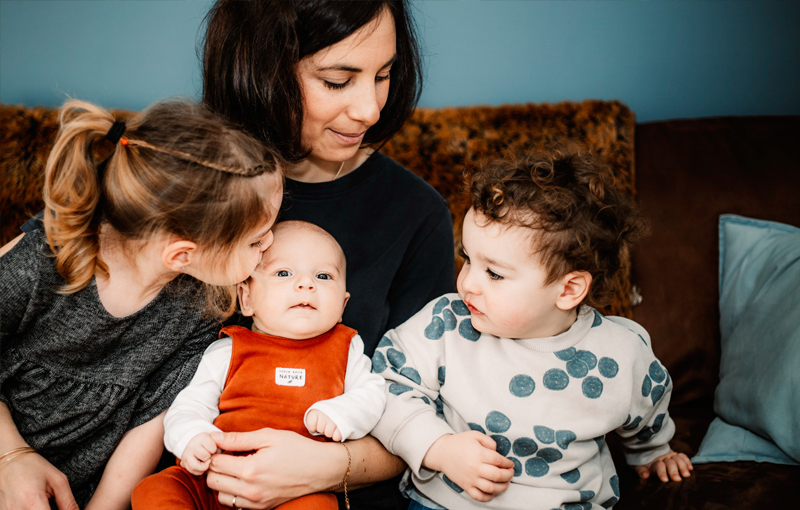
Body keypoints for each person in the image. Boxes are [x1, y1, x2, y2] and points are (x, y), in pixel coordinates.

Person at [198, 1, 457, 509]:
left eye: (384, 75)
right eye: (338, 80)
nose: (370, 109)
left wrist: (324, 467)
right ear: (260, 68)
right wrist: (12, 454)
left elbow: (436, 415)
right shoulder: (180, 178)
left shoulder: (416, 213)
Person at [370, 147, 694, 510]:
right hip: (444, 505)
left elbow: (647, 413)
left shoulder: (622, 354)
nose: (468, 284)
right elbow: (387, 385)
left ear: (569, 290)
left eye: (494, 273)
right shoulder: (445, 323)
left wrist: (653, 453)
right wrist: (438, 447)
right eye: (468, 259)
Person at [0, 99, 283, 510]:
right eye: (257, 240)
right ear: (182, 254)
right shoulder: (44, 261)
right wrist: (11, 456)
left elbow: (149, 425)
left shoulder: (205, 307)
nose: (271, 245)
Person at [131, 221, 386, 510]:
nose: (306, 284)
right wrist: (192, 435)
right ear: (247, 298)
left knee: (319, 506)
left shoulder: (346, 347)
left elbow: (373, 393)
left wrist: (341, 413)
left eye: (324, 275)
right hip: (215, 481)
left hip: (295, 490)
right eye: (284, 273)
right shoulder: (227, 349)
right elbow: (190, 405)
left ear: (342, 305)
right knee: (154, 489)